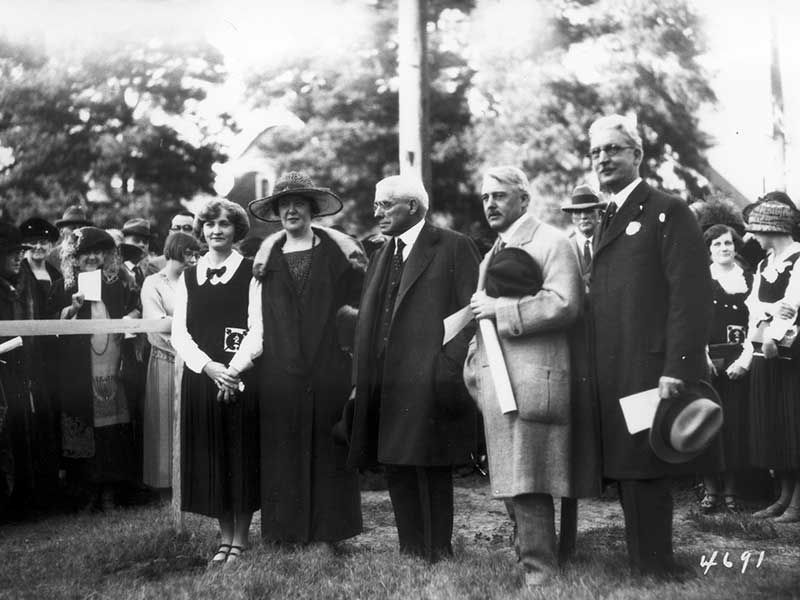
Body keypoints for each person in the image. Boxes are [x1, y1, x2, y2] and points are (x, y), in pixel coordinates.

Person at [587, 115, 715, 578]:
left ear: (636, 155)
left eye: (614, 149)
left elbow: (690, 294)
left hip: (650, 368)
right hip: (612, 368)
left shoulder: (666, 209)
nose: (604, 158)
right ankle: (643, 559)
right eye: (597, 152)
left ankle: (656, 564)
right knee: (627, 466)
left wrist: (677, 366)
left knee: (647, 466)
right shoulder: (607, 215)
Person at [463, 166, 600, 587]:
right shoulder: (495, 249)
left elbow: (564, 304)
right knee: (510, 475)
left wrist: (502, 312)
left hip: (532, 379)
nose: (490, 204)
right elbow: (480, 311)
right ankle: (530, 557)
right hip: (498, 379)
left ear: (524, 200)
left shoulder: (552, 242)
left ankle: (540, 572)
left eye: (500, 195)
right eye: (486, 197)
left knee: (528, 479)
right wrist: (472, 365)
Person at [346, 175, 480, 563]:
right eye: (376, 205)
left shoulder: (453, 246)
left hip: (431, 376)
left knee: (431, 463)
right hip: (386, 379)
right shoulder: (380, 255)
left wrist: (447, 366)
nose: (377, 213)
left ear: (413, 207)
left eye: (385, 205)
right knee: (395, 462)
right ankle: (410, 548)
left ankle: (439, 549)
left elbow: (471, 312)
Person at [228, 171, 364, 547]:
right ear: (276, 212)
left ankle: (330, 534)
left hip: (328, 368)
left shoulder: (339, 254)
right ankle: (285, 533)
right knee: (282, 449)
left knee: (327, 449)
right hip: (279, 371)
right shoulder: (263, 261)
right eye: (284, 205)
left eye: (299, 204)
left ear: (311, 210)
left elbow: (357, 309)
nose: (291, 210)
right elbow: (254, 320)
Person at [171, 198, 259, 563]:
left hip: (242, 378)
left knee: (240, 456)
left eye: (224, 224)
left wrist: (232, 371)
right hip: (203, 378)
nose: (216, 231)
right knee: (216, 459)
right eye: (209, 225)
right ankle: (224, 538)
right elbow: (180, 333)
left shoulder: (252, 272)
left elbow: (259, 328)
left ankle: (240, 538)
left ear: (236, 230)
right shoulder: (190, 277)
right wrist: (209, 368)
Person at [53, 227, 139, 510]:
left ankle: (112, 489)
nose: (91, 257)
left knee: (112, 426)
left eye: (97, 252)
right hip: (80, 367)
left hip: (112, 362)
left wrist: (127, 318)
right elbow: (52, 326)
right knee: (86, 426)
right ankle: (88, 491)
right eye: (84, 253)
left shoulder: (118, 281)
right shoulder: (63, 286)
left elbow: (135, 307)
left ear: (106, 254)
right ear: (73, 257)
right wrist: (73, 308)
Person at [727, 193, 800, 522]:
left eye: (757, 231)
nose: (753, 238)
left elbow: (794, 304)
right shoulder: (762, 265)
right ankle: (783, 498)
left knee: (794, 422)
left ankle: (797, 502)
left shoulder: (798, 261)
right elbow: (754, 308)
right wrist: (763, 327)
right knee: (774, 425)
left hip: (791, 353)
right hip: (765, 352)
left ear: (773, 229)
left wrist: (772, 331)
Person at [140, 232, 200, 493]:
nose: (194, 259)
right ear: (174, 251)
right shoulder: (153, 283)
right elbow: (155, 326)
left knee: (192, 418)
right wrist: (184, 348)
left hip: (197, 360)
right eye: (189, 253)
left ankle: (191, 480)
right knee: (164, 419)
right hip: (166, 357)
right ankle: (164, 483)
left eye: (196, 254)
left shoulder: (195, 281)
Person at [700, 224, 753, 514]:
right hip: (708, 358)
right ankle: (710, 490)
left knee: (734, 425)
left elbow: (757, 321)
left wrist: (745, 359)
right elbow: (692, 320)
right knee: (708, 422)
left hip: (739, 360)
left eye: (729, 243)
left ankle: (731, 492)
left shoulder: (748, 279)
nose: (724, 248)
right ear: (709, 249)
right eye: (718, 244)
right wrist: (702, 355)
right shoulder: (699, 278)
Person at [561, 184, 605, 292]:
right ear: (572, 218)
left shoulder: (608, 241)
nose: (583, 216)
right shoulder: (564, 247)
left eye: (589, 210)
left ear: (599, 214)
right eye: (577, 212)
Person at [19, 217, 62, 310]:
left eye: (43, 242)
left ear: (50, 246)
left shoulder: (56, 275)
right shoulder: (18, 272)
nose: (38, 247)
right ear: (25, 245)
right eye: (33, 242)